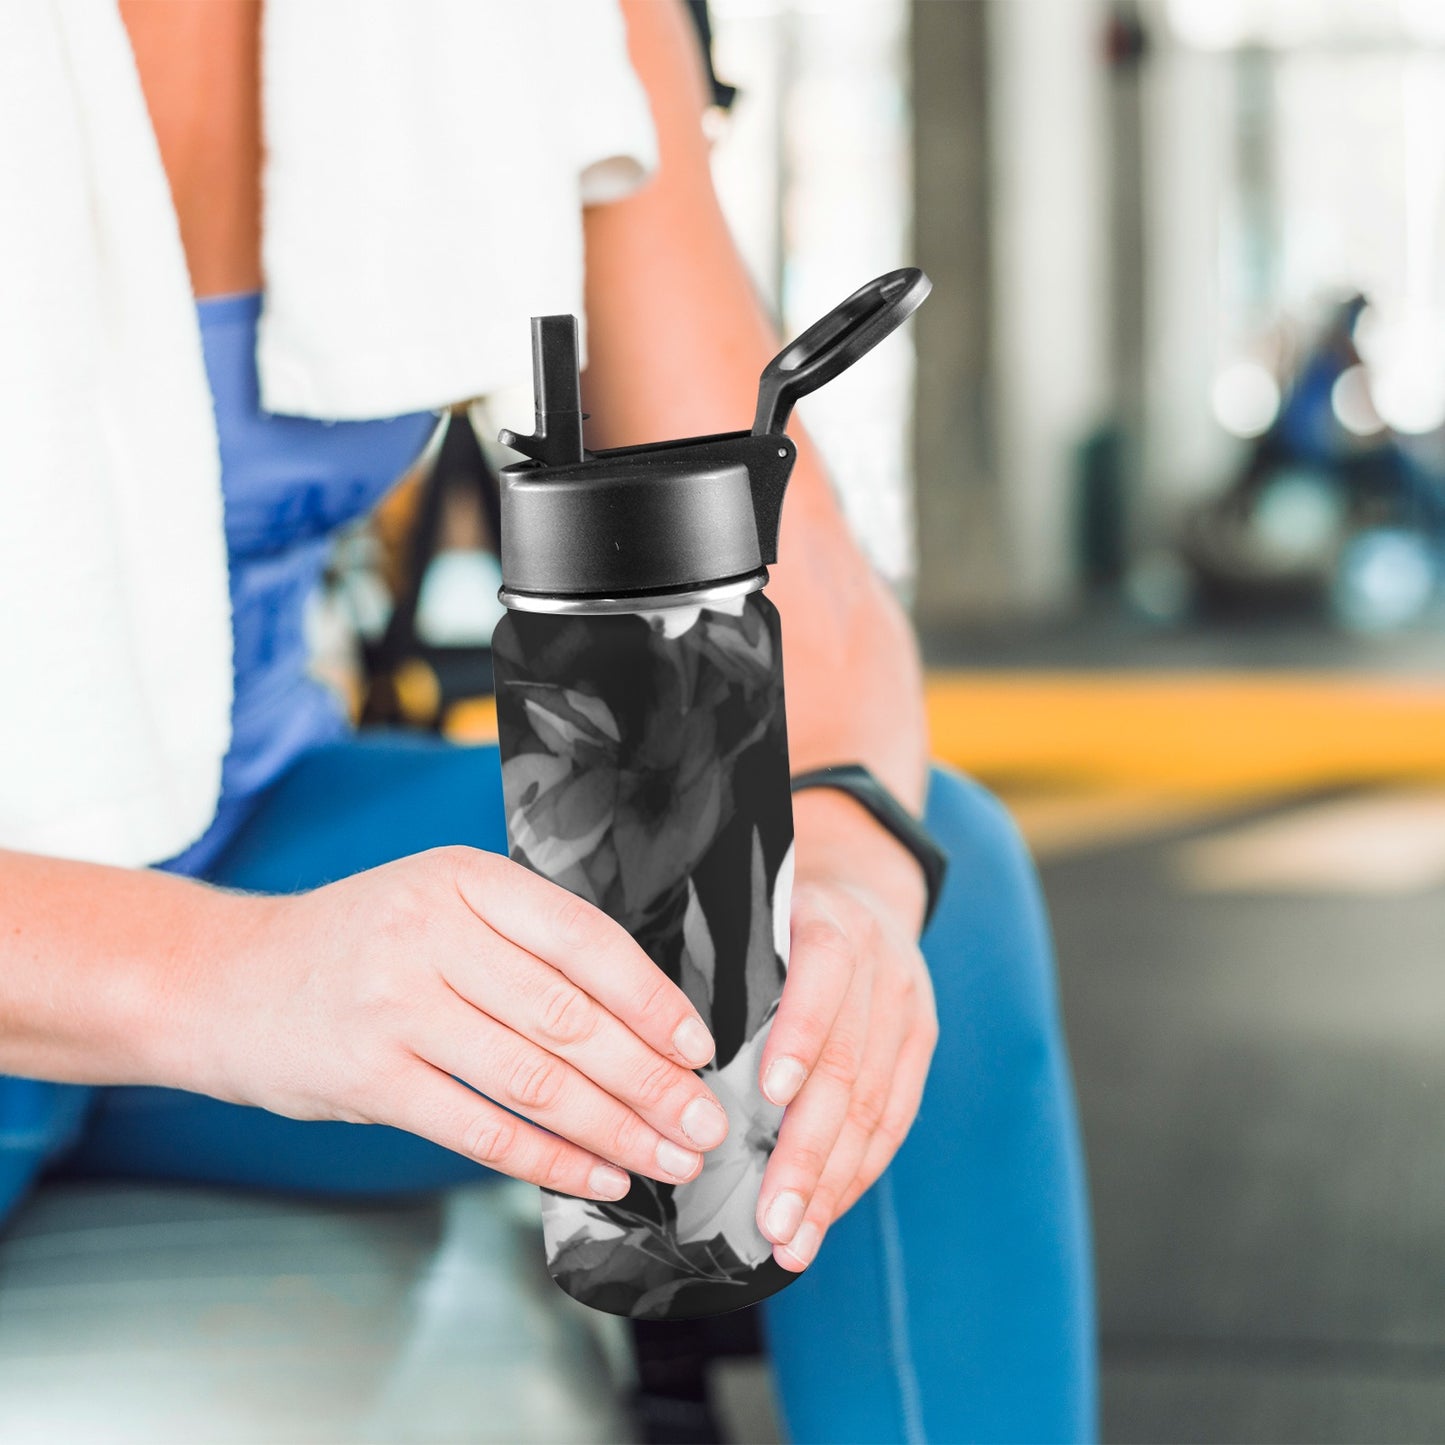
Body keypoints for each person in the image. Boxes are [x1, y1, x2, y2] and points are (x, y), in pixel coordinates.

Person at [0, 2, 1093, 1439]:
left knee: (900, 902)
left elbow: (791, 563)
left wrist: (836, 879)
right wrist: (223, 979)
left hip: (233, 824)